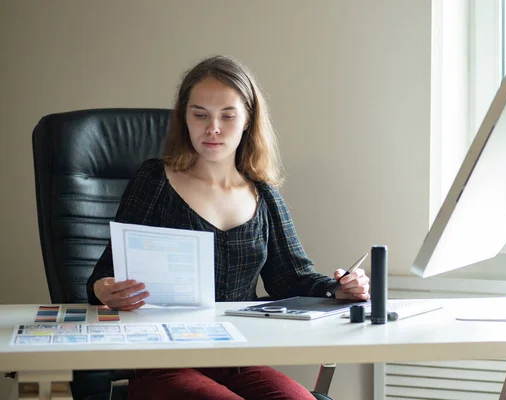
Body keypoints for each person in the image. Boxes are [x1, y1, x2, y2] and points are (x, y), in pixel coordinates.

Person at [86, 55, 370, 400]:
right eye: (200, 114)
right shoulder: (154, 180)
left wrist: (339, 289)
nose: (213, 128)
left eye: (228, 115)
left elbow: (292, 278)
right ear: (184, 118)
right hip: (163, 362)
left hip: (238, 360)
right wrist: (104, 289)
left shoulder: (262, 194)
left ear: (248, 119)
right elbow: (103, 276)